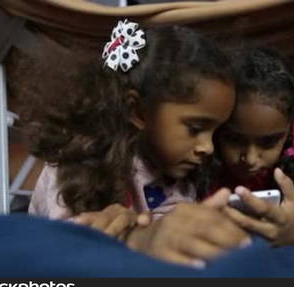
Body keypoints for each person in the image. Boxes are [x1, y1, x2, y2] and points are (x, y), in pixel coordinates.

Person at [23, 20, 249, 267]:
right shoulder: (77, 166)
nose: (208, 147)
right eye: (195, 128)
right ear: (138, 112)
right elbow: (64, 255)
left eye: (215, 132)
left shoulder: (179, 172)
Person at [211, 47, 294, 246]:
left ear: (288, 132)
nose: (250, 159)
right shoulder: (198, 153)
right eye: (234, 139)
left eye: (269, 142)